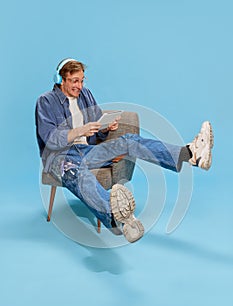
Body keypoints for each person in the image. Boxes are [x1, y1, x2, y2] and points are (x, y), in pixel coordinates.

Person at [35, 58, 214, 243]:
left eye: (82, 80)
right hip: (60, 157)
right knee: (79, 174)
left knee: (128, 141)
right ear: (60, 79)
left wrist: (105, 128)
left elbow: (96, 126)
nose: (79, 86)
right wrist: (81, 130)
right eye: (74, 81)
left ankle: (191, 154)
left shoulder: (85, 94)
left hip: (86, 150)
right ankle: (120, 220)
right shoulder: (46, 102)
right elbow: (50, 139)